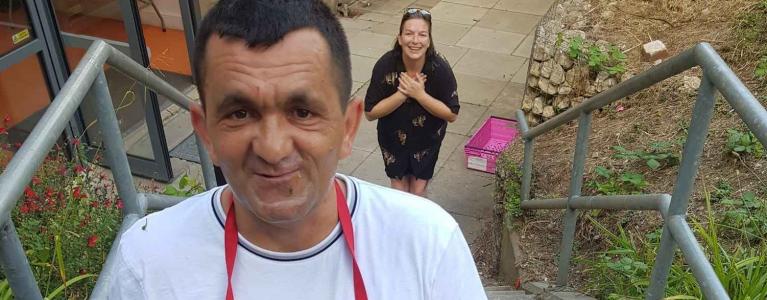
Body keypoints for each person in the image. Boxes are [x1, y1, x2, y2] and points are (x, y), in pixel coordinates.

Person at [107, 1, 485, 299]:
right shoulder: (147, 262)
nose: (272, 148)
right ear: (206, 134)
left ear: (347, 128)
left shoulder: (428, 242)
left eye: (302, 112)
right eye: (239, 113)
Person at [364, 8, 460, 198]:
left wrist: (420, 95)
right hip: (392, 138)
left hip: (427, 139)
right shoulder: (385, 65)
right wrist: (401, 95)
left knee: (418, 191)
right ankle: (399, 226)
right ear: (399, 38)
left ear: (429, 40)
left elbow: (452, 114)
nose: (415, 41)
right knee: (399, 191)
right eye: (409, 34)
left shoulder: (439, 68)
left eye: (422, 35)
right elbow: (370, 112)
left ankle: (416, 226)